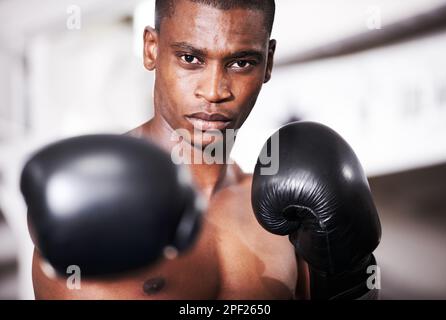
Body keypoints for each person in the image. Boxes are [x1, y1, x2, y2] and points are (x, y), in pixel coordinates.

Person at [24, 0, 380, 300]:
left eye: (241, 62)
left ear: (268, 62)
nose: (214, 91)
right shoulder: (97, 200)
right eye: (190, 58)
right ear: (151, 48)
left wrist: (349, 279)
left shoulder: (290, 213)